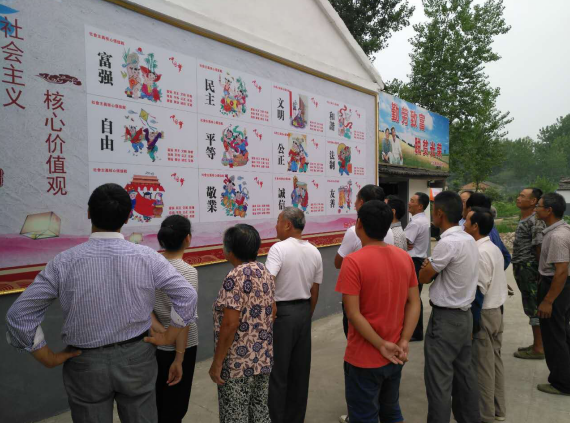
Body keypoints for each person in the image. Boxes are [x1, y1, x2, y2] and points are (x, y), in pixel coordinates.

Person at [5, 183, 197, 422]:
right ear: (128, 217)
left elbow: (19, 314)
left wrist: (47, 357)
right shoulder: (147, 257)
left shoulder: (64, 262)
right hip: (137, 358)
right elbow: (187, 295)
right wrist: (168, 337)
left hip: (85, 363)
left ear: (88, 213)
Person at [336, 200, 421, 423]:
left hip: (364, 357)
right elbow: (414, 302)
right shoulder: (404, 257)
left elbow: (353, 314)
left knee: (364, 416)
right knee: (391, 412)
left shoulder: (353, 262)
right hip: (396, 353)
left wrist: (381, 345)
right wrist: (404, 340)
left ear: (359, 224)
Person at [419, 191, 480, 423]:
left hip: (446, 320)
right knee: (464, 376)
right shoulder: (468, 239)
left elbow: (424, 276)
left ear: (439, 214)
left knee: (439, 381)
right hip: (464, 317)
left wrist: (428, 266)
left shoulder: (447, 243)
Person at [209, 224, 276, 422]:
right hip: (262, 359)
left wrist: (217, 362)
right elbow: (273, 311)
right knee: (259, 412)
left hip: (237, 365)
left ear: (230, 250)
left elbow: (230, 324)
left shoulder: (234, 277)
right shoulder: (264, 271)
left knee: (235, 415)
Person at [266, 208, 323, 423]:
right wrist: (306, 314)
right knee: (300, 372)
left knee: (278, 373)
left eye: (278, 221)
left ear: (288, 225)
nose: (276, 225)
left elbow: (268, 282)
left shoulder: (278, 248)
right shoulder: (314, 251)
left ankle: (276, 418)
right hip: (303, 312)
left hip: (282, 315)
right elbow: (315, 290)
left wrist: (271, 310)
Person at [152, 215, 199, 423]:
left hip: (155, 342)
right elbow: (184, 318)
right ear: (188, 238)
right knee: (175, 405)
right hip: (181, 347)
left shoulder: (151, 267)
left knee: (158, 400)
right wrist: (179, 358)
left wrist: (161, 331)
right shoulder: (187, 272)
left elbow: (144, 307)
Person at [464, 208, 508, 422]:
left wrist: (473, 325)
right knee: (494, 362)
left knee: (482, 368)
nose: (463, 223)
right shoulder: (493, 248)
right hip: (496, 311)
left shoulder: (480, 252)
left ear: (475, 227)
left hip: (485, 313)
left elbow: (478, 292)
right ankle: (498, 409)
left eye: (467, 220)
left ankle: (485, 415)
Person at [335, 185, 395, 337]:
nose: (354, 203)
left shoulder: (354, 232)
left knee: (357, 332)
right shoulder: (389, 230)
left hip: (359, 294)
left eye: (356, 199)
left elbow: (338, 262)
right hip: (383, 291)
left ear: (361, 202)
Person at [534, 193, 570, 395]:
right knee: (562, 332)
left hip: (556, 287)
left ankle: (562, 383)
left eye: (538, 206)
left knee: (554, 336)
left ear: (549, 210)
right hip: (557, 286)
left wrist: (548, 300)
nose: (536, 209)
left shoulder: (558, 236)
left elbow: (561, 271)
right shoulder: (558, 231)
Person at [512, 188, 546, 359]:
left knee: (533, 307)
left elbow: (539, 246)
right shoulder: (525, 218)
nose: (518, 198)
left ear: (533, 201)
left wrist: (540, 270)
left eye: (523, 196)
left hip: (529, 267)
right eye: (519, 195)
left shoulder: (535, 220)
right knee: (529, 305)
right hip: (522, 267)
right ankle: (537, 344)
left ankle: (539, 348)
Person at [406, 192, 431, 342]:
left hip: (413, 260)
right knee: (414, 297)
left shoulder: (416, 222)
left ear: (420, 206)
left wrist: (405, 242)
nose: (409, 203)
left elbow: (405, 242)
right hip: (418, 259)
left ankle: (415, 332)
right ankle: (415, 331)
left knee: (412, 298)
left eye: (412, 201)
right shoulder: (423, 220)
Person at [465, 193, 511, 270]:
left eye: (463, 202)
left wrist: (495, 272)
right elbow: (506, 256)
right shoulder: (491, 228)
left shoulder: (480, 250)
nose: (464, 224)